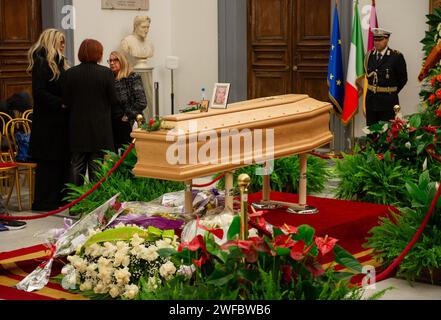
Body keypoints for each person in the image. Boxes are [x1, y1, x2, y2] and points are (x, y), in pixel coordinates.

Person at [63, 39, 118, 186]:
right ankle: (95, 203)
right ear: (98, 54)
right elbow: (113, 99)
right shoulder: (106, 73)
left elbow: (66, 101)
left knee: (76, 165)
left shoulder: (70, 74)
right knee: (96, 167)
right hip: (99, 128)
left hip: (77, 127)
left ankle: (74, 203)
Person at [27, 28, 70, 211]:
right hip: (47, 124)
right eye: (60, 41)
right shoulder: (41, 62)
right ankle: (44, 202)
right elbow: (39, 92)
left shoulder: (59, 62)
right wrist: (60, 103)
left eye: (64, 41)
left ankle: (59, 199)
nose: (63, 45)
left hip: (60, 123)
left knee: (60, 161)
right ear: (51, 42)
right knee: (48, 165)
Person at [364, 28, 408, 126]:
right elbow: (368, 76)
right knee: (371, 133)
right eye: (375, 40)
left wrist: (390, 91)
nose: (377, 43)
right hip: (371, 100)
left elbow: (403, 79)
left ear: (387, 39)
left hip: (388, 102)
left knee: (387, 134)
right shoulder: (369, 56)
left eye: (380, 40)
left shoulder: (396, 57)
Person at [108, 51, 147, 152]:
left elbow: (141, 102)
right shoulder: (109, 79)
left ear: (123, 61)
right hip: (114, 124)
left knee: (130, 156)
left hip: (129, 123)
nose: (112, 63)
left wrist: (127, 116)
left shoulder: (132, 77)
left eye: (115, 60)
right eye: (110, 60)